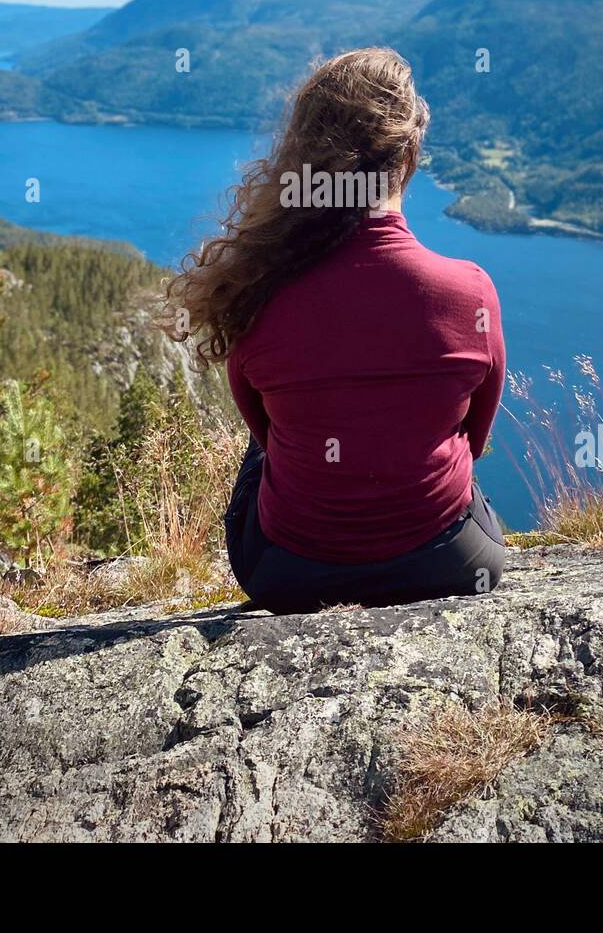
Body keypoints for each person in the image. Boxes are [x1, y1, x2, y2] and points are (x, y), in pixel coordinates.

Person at [165, 47, 506, 614]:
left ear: (301, 163)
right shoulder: (470, 292)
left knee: (276, 429)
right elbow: (474, 438)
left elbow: (265, 434)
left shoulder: (259, 294)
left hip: (290, 573)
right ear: (409, 157)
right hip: (449, 562)